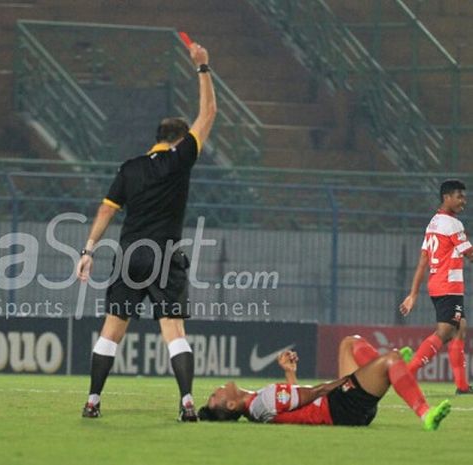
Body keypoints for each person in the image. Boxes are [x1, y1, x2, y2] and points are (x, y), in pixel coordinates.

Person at [76, 41, 217, 422]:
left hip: (129, 256)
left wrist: (88, 251)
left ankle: (92, 400)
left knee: (111, 332)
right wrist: (202, 68)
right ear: (180, 139)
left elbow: (106, 209)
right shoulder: (180, 159)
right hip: (165, 255)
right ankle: (187, 402)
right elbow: (209, 114)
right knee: (174, 332)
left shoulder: (130, 167)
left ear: (155, 137)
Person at [198, 335, 451, 431]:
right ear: (231, 405)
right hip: (340, 409)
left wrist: (289, 373)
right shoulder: (262, 401)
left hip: (337, 407)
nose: (216, 390)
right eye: (215, 396)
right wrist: (347, 381)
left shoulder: (258, 404)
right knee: (390, 360)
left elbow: (296, 407)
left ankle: (393, 369)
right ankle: (426, 415)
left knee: (349, 343)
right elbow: (314, 392)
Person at [399, 179, 473, 394]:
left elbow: (423, 261)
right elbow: (470, 253)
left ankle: (461, 385)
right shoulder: (452, 224)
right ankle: (407, 373)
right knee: (445, 331)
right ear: (446, 197)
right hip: (449, 285)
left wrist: (413, 294)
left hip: (440, 285)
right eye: (459, 196)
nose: (463, 201)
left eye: (464, 197)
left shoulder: (433, 223)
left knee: (459, 328)